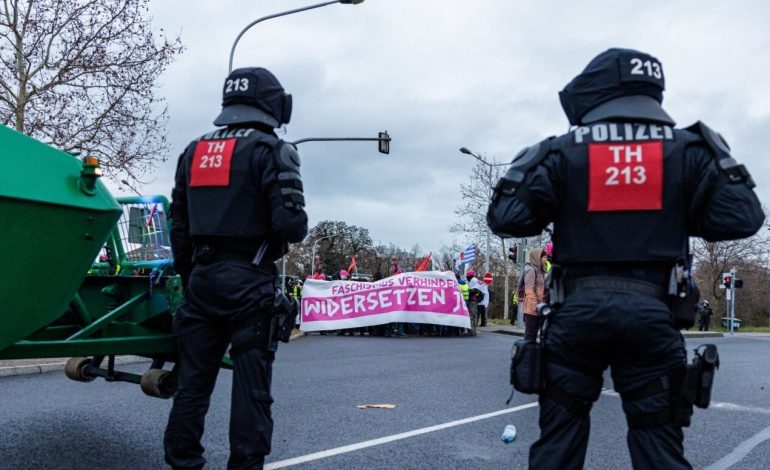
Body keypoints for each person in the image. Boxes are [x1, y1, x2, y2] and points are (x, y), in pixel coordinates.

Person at [487, 48, 764, 469]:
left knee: (557, 447)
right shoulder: (689, 149)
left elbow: (505, 218)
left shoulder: (563, 151)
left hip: (576, 316)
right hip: (653, 315)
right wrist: (680, 207)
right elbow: (744, 217)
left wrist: (536, 169)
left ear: (593, 92)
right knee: (659, 448)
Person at [167, 67, 308, 470]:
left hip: (201, 281)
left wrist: (191, 275)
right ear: (275, 105)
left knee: (192, 386)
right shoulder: (272, 149)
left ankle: (183, 462)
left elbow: (178, 224)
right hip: (249, 281)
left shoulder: (193, 151)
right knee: (251, 392)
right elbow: (290, 226)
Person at [521, 248, 546, 341]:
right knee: (530, 336)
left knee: (542, 334)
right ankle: (527, 354)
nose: (545, 259)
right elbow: (529, 290)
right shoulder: (531, 271)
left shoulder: (541, 271)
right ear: (536, 258)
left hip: (541, 307)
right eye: (543, 257)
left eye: (545, 257)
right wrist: (535, 305)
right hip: (532, 309)